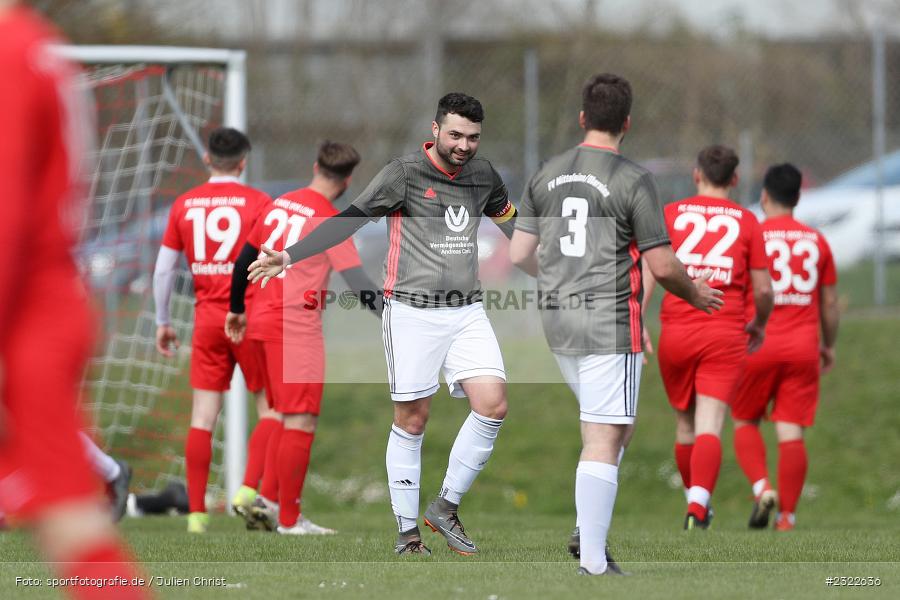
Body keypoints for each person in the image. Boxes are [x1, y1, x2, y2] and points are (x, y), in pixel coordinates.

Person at [247, 93, 518, 556]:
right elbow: (348, 221)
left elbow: (509, 220)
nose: (464, 145)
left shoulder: (483, 174)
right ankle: (407, 533)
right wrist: (290, 255)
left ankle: (446, 506)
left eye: (473, 137)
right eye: (455, 134)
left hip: (466, 309)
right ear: (435, 130)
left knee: (492, 404)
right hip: (410, 312)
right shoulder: (403, 174)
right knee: (413, 419)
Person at [509, 73, 724, 576]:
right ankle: (592, 561)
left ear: (583, 118)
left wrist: (560, 277)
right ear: (627, 122)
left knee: (614, 429)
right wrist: (697, 294)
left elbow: (520, 253)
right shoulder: (632, 178)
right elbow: (664, 265)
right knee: (604, 436)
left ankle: (589, 528)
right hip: (607, 319)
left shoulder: (546, 171)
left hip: (559, 321)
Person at [0, 3, 149, 598]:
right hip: (44, 309)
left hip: (23, 313)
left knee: (70, 516)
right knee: (72, 523)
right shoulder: (39, 47)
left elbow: (7, 215)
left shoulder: (12, 55)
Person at [226, 141, 379, 535]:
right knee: (302, 421)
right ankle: (290, 520)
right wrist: (397, 315)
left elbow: (244, 259)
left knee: (280, 416)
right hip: (293, 328)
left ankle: (267, 502)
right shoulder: (331, 219)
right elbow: (359, 283)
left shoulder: (280, 202)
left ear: (315, 166)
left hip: (259, 320)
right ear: (347, 181)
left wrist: (237, 309)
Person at [153, 127, 278, 534]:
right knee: (271, 410)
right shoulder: (259, 203)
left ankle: (196, 516)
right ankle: (246, 490)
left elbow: (163, 271)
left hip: (207, 319)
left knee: (203, 417)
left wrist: (163, 321)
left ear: (207, 159)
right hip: (250, 316)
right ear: (243, 162)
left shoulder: (184, 204)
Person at [644, 144, 774, 530]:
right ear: (735, 178)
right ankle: (698, 507)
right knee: (710, 424)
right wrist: (760, 323)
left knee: (684, 427)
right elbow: (764, 291)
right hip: (724, 329)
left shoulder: (670, 213)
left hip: (677, 331)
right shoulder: (747, 221)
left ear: (696, 174)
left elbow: (650, 271)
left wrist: (635, 318)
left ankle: (696, 503)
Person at [730, 163, 839, 531]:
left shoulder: (753, 236)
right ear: (798, 197)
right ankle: (788, 518)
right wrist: (829, 346)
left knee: (745, 420)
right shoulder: (816, 241)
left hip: (757, 344)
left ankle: (763, 487)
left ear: (763, 196)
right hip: (803, 348)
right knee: (791, 432)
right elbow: (829, 303)